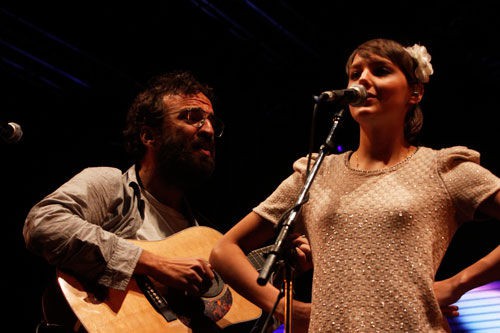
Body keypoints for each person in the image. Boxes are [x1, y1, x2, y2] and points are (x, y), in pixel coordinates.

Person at [209, 38, 500, 332]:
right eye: (355, 73)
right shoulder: (316, 172)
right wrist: (284, 307)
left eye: (380, 70)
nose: (363, 79)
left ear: (415, 92)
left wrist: (457, 283)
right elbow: (224, 251)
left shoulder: (441, 169)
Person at [23, 70, 239, 332]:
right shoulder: (110, 185)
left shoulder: (203, 230)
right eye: (192, 117)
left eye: (212, 121)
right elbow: (44, 224)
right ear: (149, 136)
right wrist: (157, 264)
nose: (208, 129)